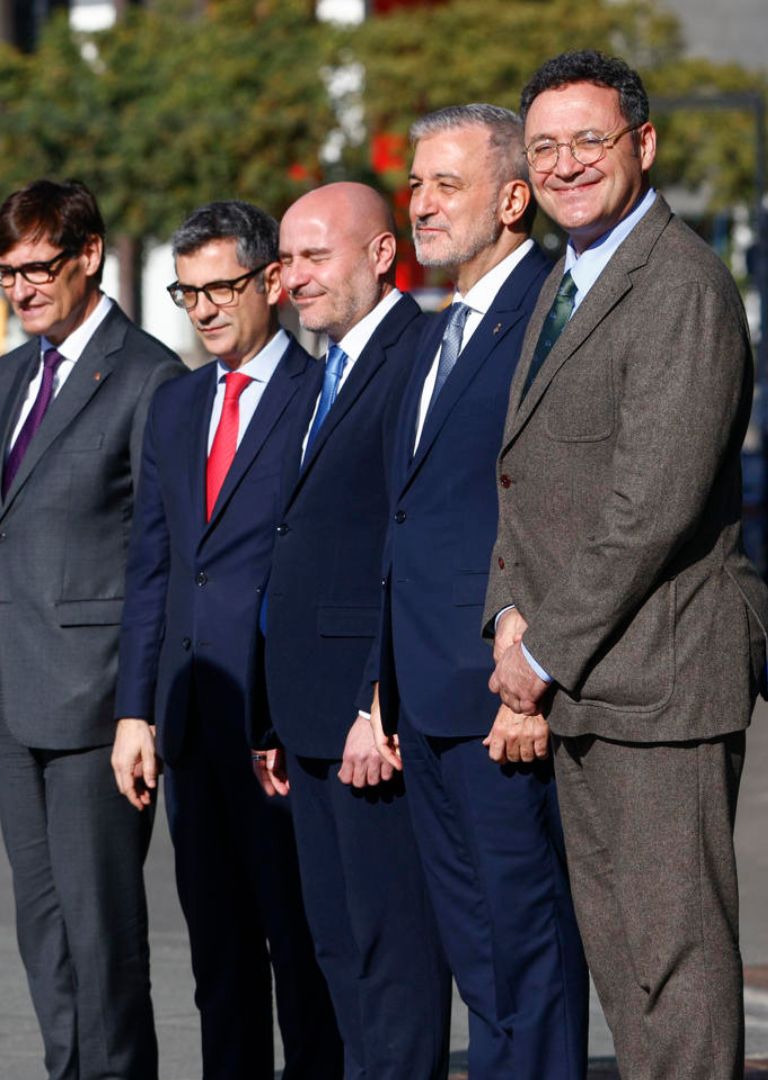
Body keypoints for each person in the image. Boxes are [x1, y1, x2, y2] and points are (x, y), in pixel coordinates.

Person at [487, 51, 768, 1077]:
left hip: (660, 687)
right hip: (589, 682)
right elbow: (525, 474)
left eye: (589, 141)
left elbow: (650, 505)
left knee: (674, 973)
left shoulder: (680, 285)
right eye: (546, 145)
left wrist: (541, 646)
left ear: (643, 145)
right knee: (624, 968)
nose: (565, 165)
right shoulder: (571, 275)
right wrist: (507, 614)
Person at [370, 102, 589, 1079]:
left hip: (505, 692)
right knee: (478, 960)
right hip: (425, 694)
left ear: (513, 197)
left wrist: (532, 674)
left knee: (528, 949)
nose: (421, 204)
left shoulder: (554, 313)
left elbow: (563, 505)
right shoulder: (429, 333)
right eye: (415, 184)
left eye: (445, 185)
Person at [116, 200, 341, 1080]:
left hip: (277, 728)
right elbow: (154, 569)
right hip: (189, 721)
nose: (204, 307)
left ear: (273, 283)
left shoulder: (320, 395)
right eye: (188, 291)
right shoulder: (174, 407)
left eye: (223, 287)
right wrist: (135, 711)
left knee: (300, 948)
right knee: (218, 958)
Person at [0, 178, 184, 1080]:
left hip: (99, 702)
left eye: (38, 268)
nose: (20, 289)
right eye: (4, 273)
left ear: (89, 255)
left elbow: (157, 558)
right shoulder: (12, 374)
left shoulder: (147, 375)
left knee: (102, 933)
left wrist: (142, 708)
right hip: (14, 693)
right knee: (43, 928)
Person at [263, 182, 451, 1077]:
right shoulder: (320, 369)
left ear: (382, 255)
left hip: (369, 718)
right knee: (335, 948)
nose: (293, 277)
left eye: (314, 256)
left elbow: (409, 538)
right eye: (286, 259)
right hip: (304, 714)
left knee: (394, 957)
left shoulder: (419, 357)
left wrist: (380, 697)